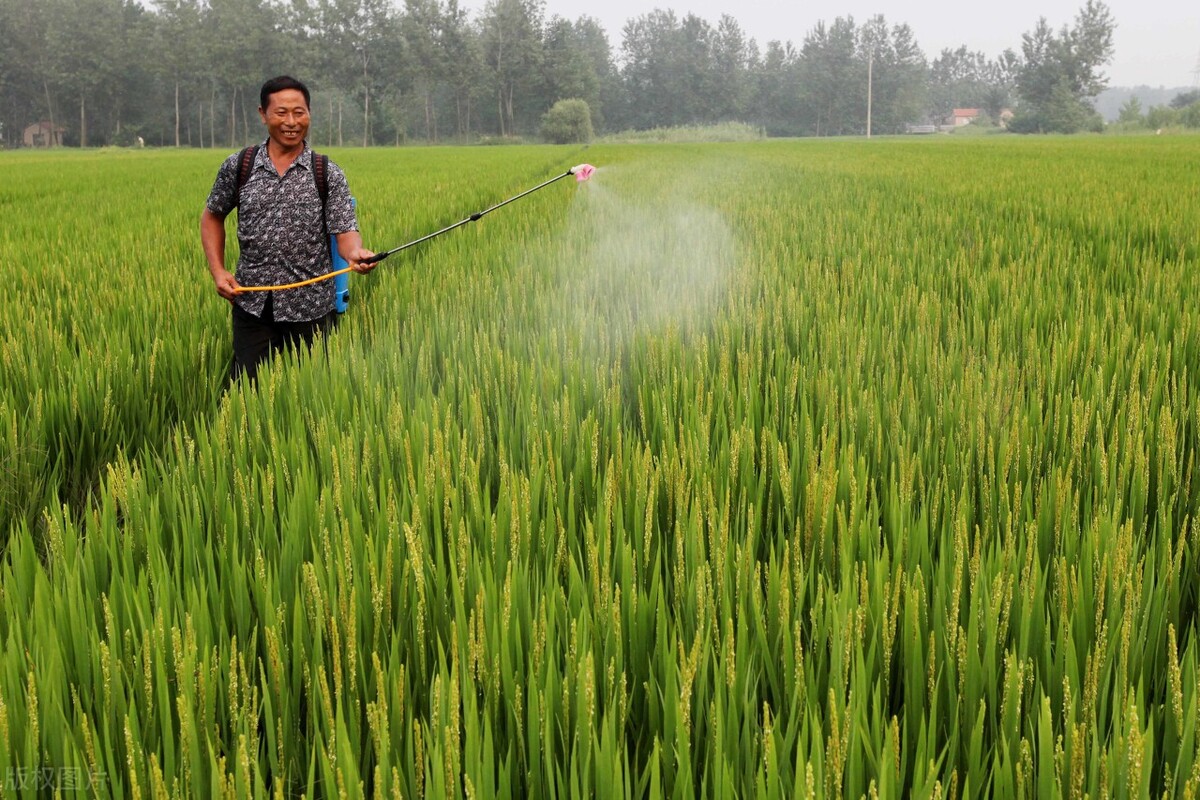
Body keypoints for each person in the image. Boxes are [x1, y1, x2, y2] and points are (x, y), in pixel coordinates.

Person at [200, 75, 375, 382]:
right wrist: (218, 270)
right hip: (252, 305)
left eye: (299, 112)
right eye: (281, 113)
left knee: (308, 396)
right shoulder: (239, 165)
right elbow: (212, 216)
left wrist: (356, 254)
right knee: (248, 394)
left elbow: (345, 231)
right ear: (263, 114)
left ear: (309, 113)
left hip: (311, 309)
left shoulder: (326, 172)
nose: (292, 121)